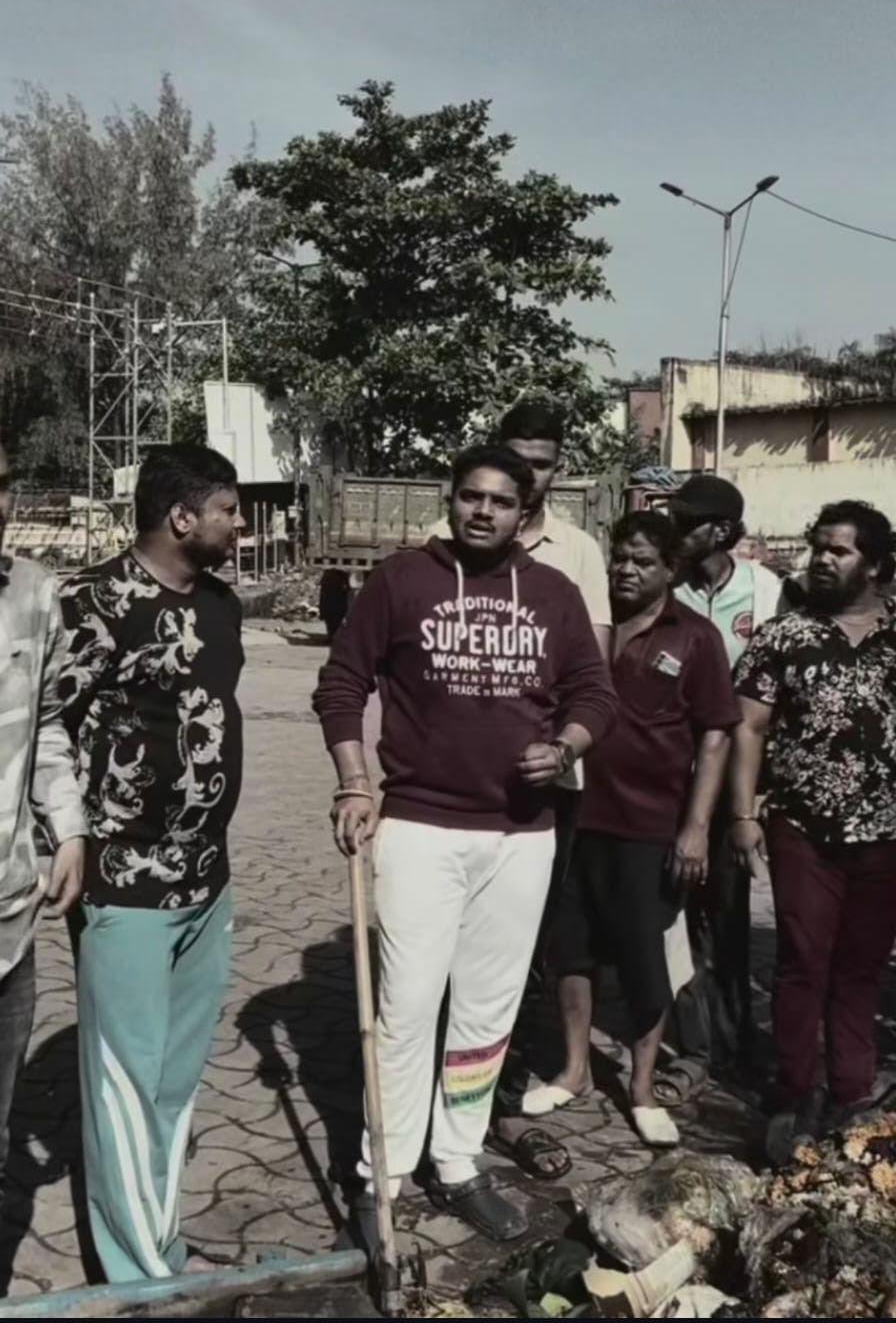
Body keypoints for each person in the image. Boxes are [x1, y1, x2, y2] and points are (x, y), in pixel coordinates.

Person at [313, 443, 616, 1245]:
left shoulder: (552, 594)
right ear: (450, 500)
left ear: (525, 513)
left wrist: (568, 747)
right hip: (420, 828)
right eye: (470, 496)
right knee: (406, 1009)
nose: (483, 511)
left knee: (487, 1010)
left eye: (501, 501)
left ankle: (455, 1161)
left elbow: (595, 692)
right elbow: (341, 683)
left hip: (521, 835)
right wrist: (354, 783)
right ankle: (382, 1173)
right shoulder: (401, 581)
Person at [58, 443, 245, 1282]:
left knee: (173, 1082)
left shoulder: (222, 606)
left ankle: (158, 1239)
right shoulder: (92, 604)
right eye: (228, 511)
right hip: (122, 884)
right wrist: (64, 840)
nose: (239, 526)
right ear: (181, 517)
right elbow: (46, 727)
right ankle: (141, 1277)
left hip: (208, 880)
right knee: (125, 1084)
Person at [436, 399, 612, 1181]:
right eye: (516, 461)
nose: (527, 477)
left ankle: (497, 1101)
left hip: (545, 791)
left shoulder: (579, 554)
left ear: (556, 470)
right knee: (439, 954)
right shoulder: (442, 545)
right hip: (448, 795)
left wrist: (559, 745)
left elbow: (589, 676)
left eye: (541, 465)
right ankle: (427, 1104)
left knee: (523, 952)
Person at [543, 513, 740, 1145]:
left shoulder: (697, 638)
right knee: (571, 950)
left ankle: (642, 1086)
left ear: (671, 570)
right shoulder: (588, 626)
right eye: (621, 559)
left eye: (644, 562)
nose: (626, 571)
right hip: (575, 816)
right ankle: (574, 1069)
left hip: (648, 824)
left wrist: (696, 827)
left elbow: (716, 736)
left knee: (643, 961)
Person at [731, 500, 896, 1164]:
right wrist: (743, 815)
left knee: (861, 967)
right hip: (802, 827)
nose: (823, 560)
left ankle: (852, 1097)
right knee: (802, 960)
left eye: (840, 550)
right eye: (819, 547)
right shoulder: (784, 637)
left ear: (875, 565)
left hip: (885, 833)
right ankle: (794, 1092)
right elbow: (748, 726)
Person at [658, 475, 781, 1104]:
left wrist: (755, 795)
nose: (675, 532)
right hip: (667, 775)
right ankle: (691, 1045)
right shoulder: (665, 587)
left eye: (687, 522)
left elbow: (778, 698)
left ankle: (736, 1044)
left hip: (734, 781)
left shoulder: (766, 591)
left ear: (722, 531)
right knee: (669, 917)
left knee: (727, 918)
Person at [0, 440, 86, 1202]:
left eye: (1, 485)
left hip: (9, 918)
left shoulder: (32, 592)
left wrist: (69, 828)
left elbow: (47, 725)